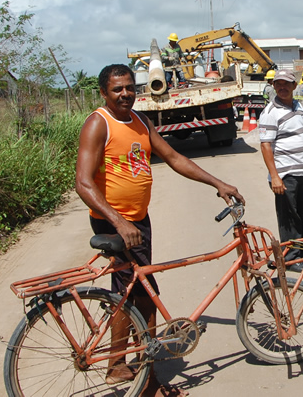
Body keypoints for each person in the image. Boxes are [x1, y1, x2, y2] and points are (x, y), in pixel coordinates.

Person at [76, 64, 244, 396]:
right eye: (117, 89)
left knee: (131, 291)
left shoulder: (140, 121)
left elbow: (173, 156)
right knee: (145, 297)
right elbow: (83, 183)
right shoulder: (99, 124)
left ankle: (118, 365)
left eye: (129, 87)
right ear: (103, 93)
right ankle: (148, 383)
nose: (125, 94)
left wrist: (217, 182)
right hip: (116, 222)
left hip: (138, 219)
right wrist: (120, 223)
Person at [258, 70, 303, 272]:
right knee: (289, 217)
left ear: (294, 86)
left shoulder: (299, 106)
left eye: (286, 84)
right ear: (274, 86)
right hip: (285, 175)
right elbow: (266, 146)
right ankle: (291, 256)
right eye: (278, 84)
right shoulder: (270, 112)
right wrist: (275, 177)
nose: (282, 87)